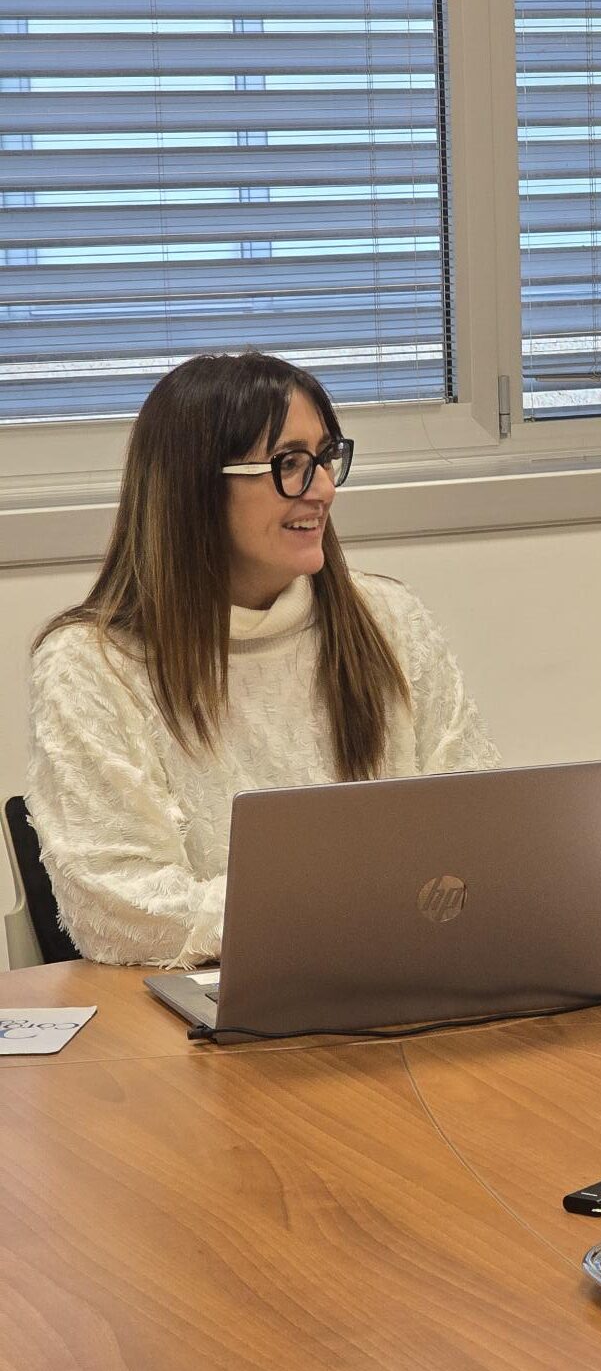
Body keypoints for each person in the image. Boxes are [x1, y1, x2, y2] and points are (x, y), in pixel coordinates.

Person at [28, 352, 499, 967]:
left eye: (325, 458)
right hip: (218, 997)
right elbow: (119, 905)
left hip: (406, 972)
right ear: (195, 488)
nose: (323, 489)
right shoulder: (92, 663)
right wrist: (352, 907)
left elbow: (481, 825)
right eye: (290, 465)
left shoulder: (389, 619)